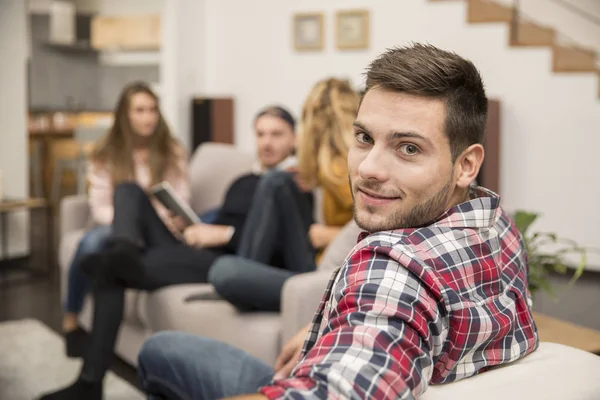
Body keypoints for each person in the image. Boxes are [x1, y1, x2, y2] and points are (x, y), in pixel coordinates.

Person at [137, 43, 539, 400]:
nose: (369, 168)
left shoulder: (392, 269)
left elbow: (345, 384)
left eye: (409, 148)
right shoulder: (496, 224)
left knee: (160, 351)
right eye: (364, 138)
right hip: (329, 350)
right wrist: (325, 325)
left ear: (466, 164)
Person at [38, 104, 298, 400]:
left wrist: (222, 234)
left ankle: (89, 383)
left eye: (277, 134)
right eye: (261, 133)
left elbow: (276, 246)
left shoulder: (290, 184)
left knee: (107, 268)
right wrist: (191, 224)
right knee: (128, 190)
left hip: (222, 261)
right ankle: (124, 248)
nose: (267, 141)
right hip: (195, 244)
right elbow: (226, 216)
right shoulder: (243, 180)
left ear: (294, 139)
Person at [61, 81, 190, 359]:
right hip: (115, 225)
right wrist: (127, 223)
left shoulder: (172, 150)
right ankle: (71, 319)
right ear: (125, 115)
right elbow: (100, 207)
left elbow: (180, 198)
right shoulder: (106, 152)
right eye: (140, 110)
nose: (148, 117)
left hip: (156, 228)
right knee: (92, 241)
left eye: (153, 110)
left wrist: (164, 219)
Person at [208, 77, 359, 312]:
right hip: (313, 262)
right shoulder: (329, 168)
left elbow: (382, 229)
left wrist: (330, 235)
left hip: (321, 276)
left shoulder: (344, 170)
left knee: (226, 270)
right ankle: (246, 275)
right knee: (277, 182)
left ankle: (245, 276)